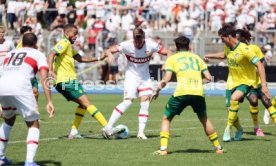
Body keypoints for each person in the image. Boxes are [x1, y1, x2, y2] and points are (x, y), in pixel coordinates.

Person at [151, 36, 224, 155]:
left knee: (166, 118)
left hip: (182, 92)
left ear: (176, 47)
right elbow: (209, 78)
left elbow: (167, 79)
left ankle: (163, 149)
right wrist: (197, 83)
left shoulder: (172, 58)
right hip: (198, 92)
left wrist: (157, 89)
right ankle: (218, 148)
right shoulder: (197, 58)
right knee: (204, 119)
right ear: (189, 46)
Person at [204, 24, 275, 142]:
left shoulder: (245, 49)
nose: (221, 41)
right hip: (231, 82)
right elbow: (223, 55)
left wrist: (264, 86)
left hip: (246, 82)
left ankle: (228, 128)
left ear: (229, 37)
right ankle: (239, 129)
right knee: (230, 109)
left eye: (222, 38)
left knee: (235, 98)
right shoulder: (228, 47)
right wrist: (209, 55)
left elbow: (260, 65)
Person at [103, 27, 172, 139]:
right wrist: (110, 54)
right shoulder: (126, 44)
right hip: (131, 77)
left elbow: (169, 52)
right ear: (133, 39)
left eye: (140, 41)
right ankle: (108, 127)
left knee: (145, 103)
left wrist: (166, 63)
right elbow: (109, 50)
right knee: (127, 102)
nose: (137, 43)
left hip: (145, 78)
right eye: (136, 41)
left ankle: (140, 133)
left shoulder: (151, 45)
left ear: (144, 39)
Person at [0, 33, 55, 166]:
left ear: (22, 42)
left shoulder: (10, 54)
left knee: (8, 120)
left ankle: (1, 157)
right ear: (35, 43)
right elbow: (44, 78)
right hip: (21, 87)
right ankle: (29, 162)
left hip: (2, 87)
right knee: (33, 124)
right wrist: (49, 101)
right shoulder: (38, 54)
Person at [47, 24, 108, 139]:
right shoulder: (64, 43)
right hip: (67, 80)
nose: (76, 36)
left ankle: (74, 132)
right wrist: (50, 70)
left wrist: (99, 58)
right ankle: (107, 127)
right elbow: (51, 54)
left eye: (77, 34)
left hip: (61, 83)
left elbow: (81, 59)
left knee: (82, 104)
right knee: (87, 103)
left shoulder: (69, 47)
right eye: (74, 34)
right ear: (66, 34)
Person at [16, 26, 40, 106]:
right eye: (27, 32)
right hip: (23, 73)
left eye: (31, 32)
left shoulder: (34, 46)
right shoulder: (19, 46)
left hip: (31, 72)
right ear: (23, 34)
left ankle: (36, 110)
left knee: (36, 92)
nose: (30, 34)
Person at [0, 26, 15, 118]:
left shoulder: (9, 43)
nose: (1, 34)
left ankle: (7, 108)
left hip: (6, 70)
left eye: (2, 33)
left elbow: (14, 55)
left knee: (6, 89)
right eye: (0, 33)